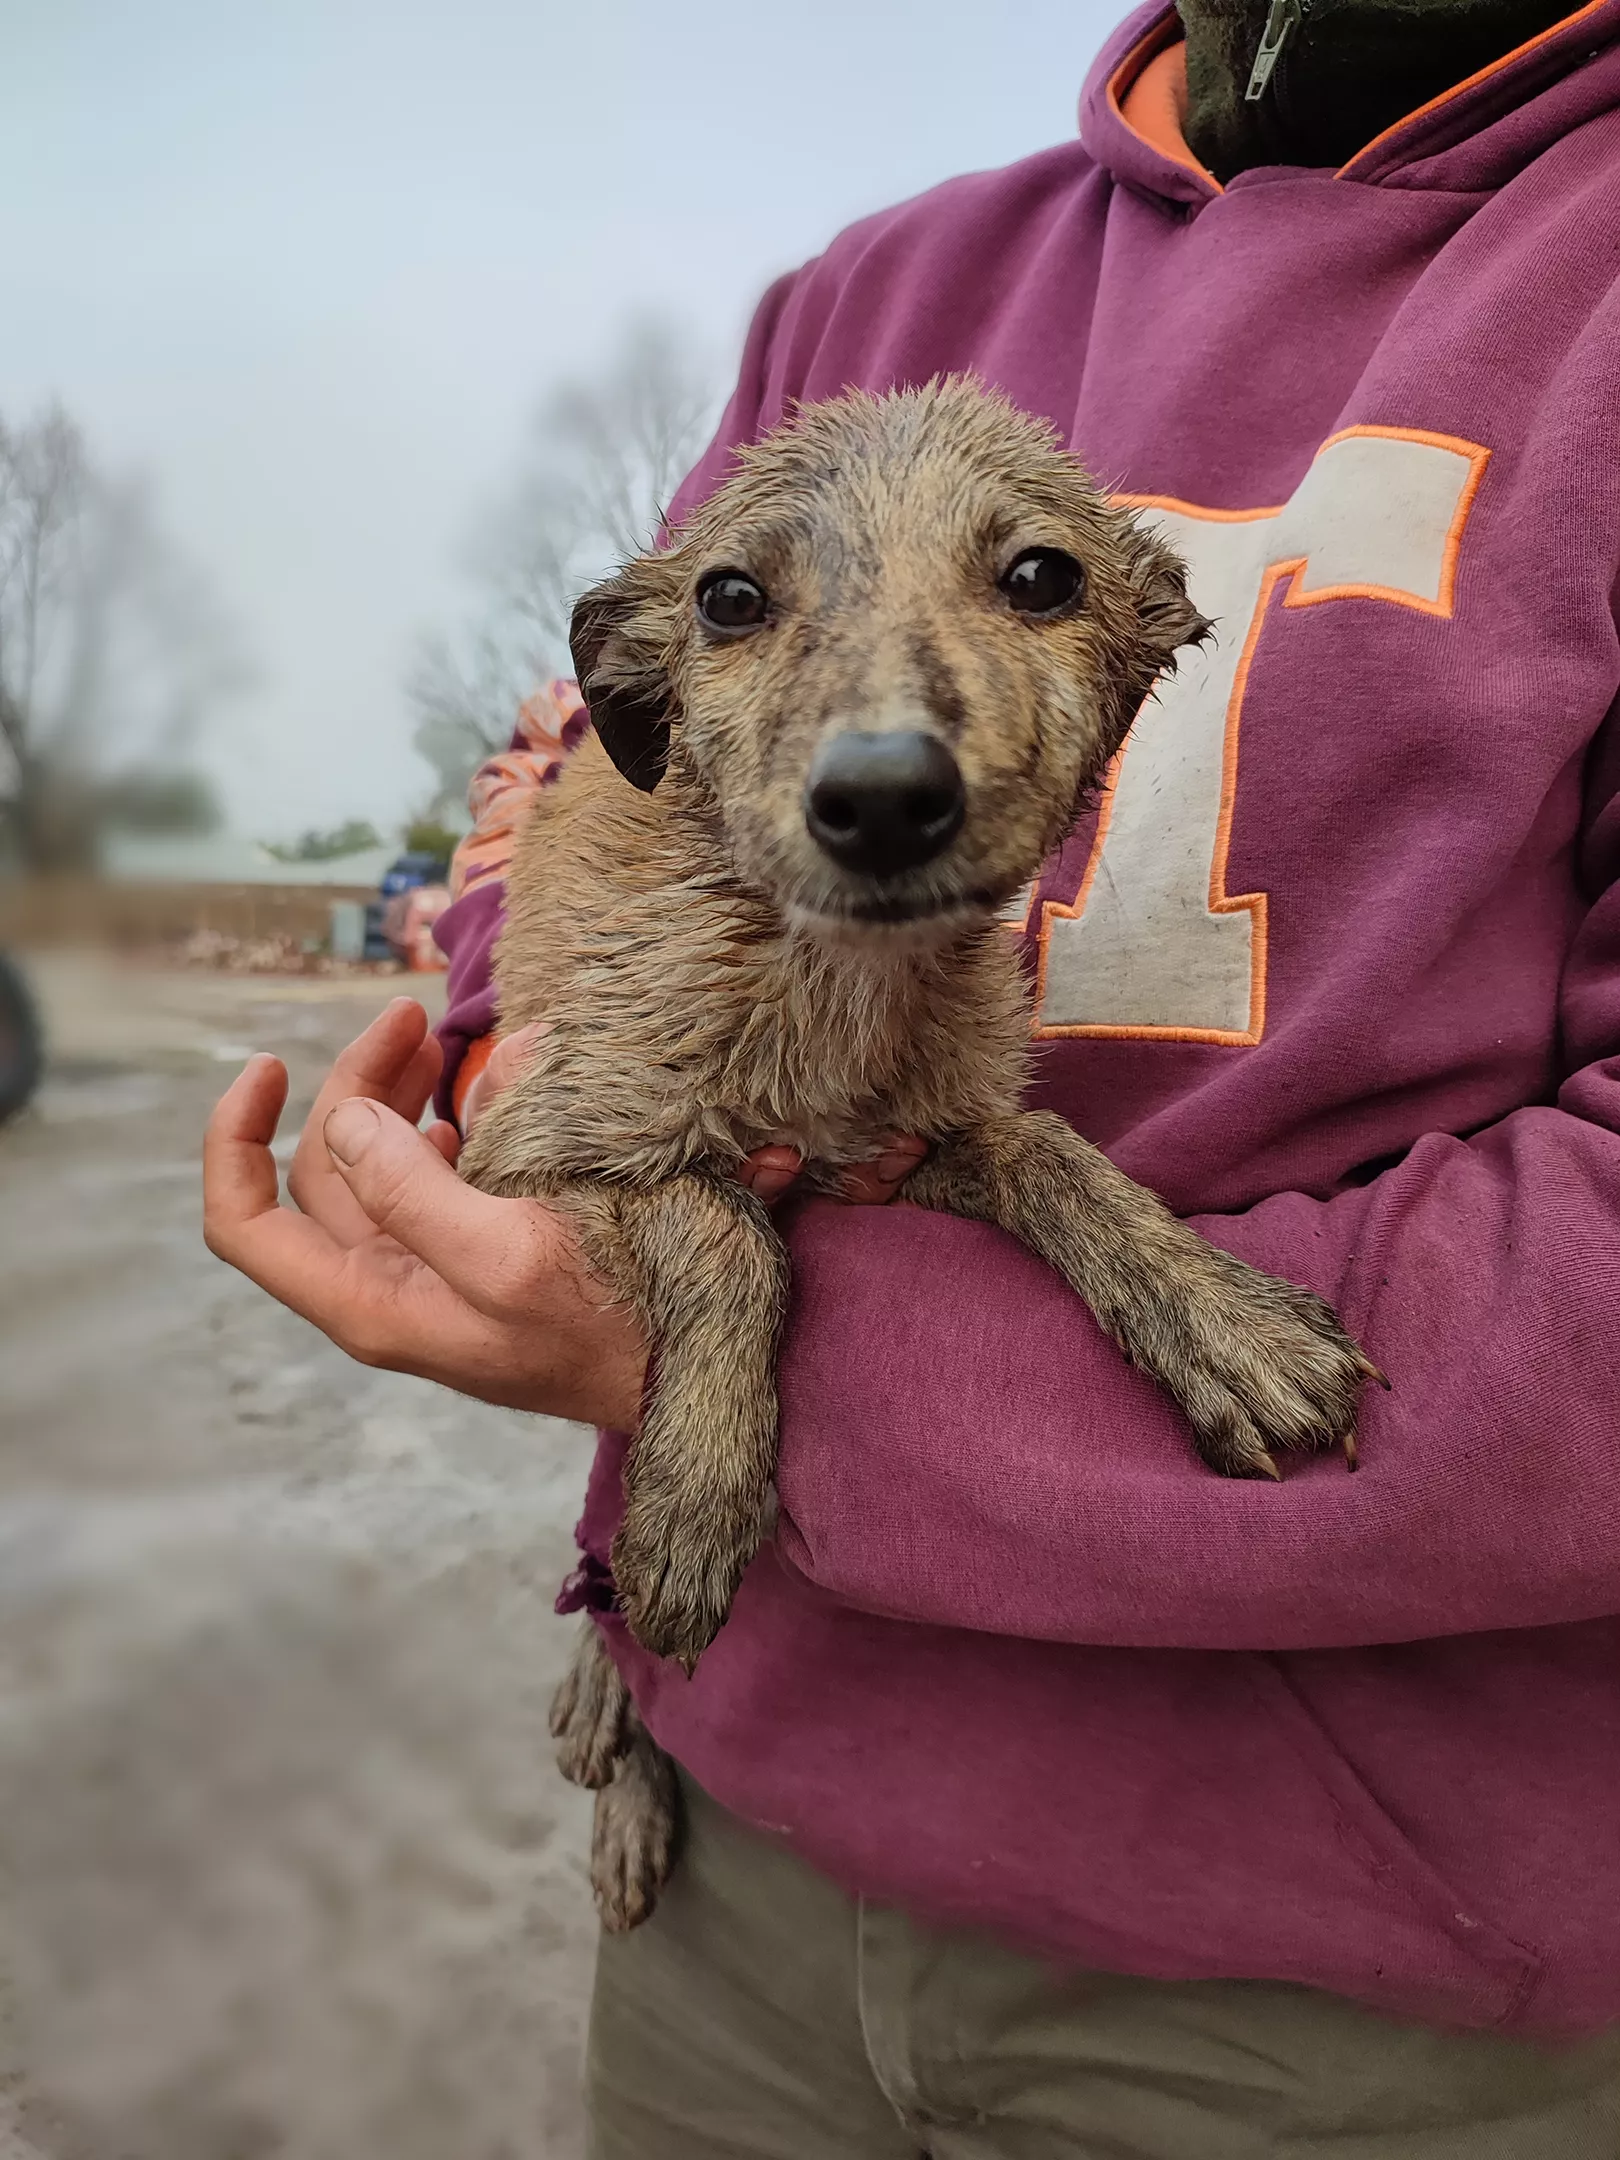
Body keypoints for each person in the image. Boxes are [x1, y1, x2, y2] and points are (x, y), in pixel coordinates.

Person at [204, 0, 1620, 2149]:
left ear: (1136, 628)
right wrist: (513, 1032)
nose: (900, 727)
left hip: (1337, 1994)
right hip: (734, 1866)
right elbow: (590, 774)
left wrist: (715, 1366)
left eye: (1040, 589)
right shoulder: (866, 294)